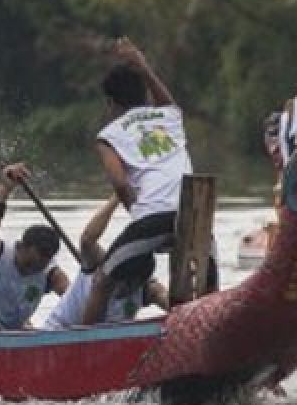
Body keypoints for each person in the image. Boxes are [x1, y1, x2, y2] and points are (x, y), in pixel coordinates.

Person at [82, 37, 213, 324]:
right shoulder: (170, 116)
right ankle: (203, 324)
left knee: (102, 281)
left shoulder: (109, 135)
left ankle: (80, 345)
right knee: (206, 290)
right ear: (145, 95)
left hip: (153, 216)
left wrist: (137, 212)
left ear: (110, 103)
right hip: (196, 217)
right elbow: (166, 98)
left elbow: (120, 185)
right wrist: (143, 66)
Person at [0, 163, 70, 331]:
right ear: (20, 247)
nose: (34, 270)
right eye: (30, 264)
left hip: (16, 337)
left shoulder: (51, 274)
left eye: (41, 266)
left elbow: (75, 300)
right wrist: (5, 191)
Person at [45, 195, 168, 329]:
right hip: (59, 331)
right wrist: (117, 197)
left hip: (104, 342)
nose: (125, 289)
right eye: (123, 281)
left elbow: (171, 303)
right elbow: (87, 240)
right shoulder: (102, 265)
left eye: (132, 285)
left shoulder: (148, 288)